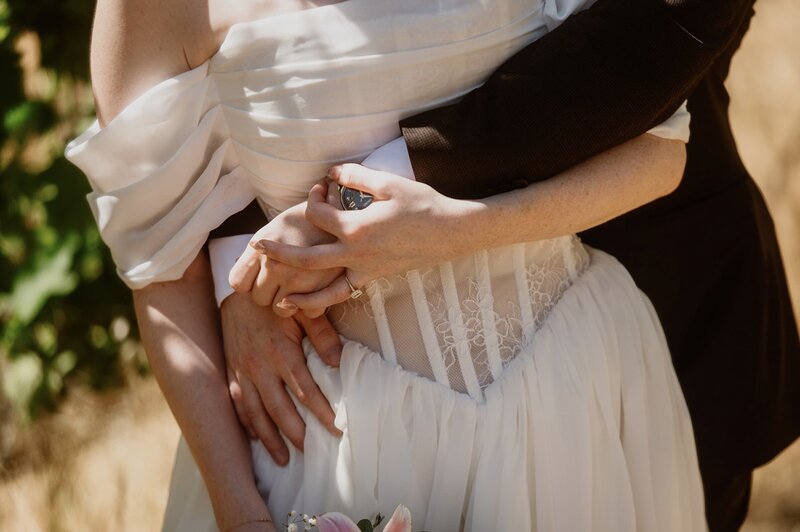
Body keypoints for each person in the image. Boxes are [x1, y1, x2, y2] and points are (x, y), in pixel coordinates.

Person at [66, 0, 708, 530]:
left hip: (568, 404)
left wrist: (457, 231)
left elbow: (657, 152)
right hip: (328, 437)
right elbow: (159, 266)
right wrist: (239, 508)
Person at [217, 0, 800, 530]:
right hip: (330, 394)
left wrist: (358, 206)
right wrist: (243, 273)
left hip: (648, 297)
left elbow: (677, 19)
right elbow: (185, 123)